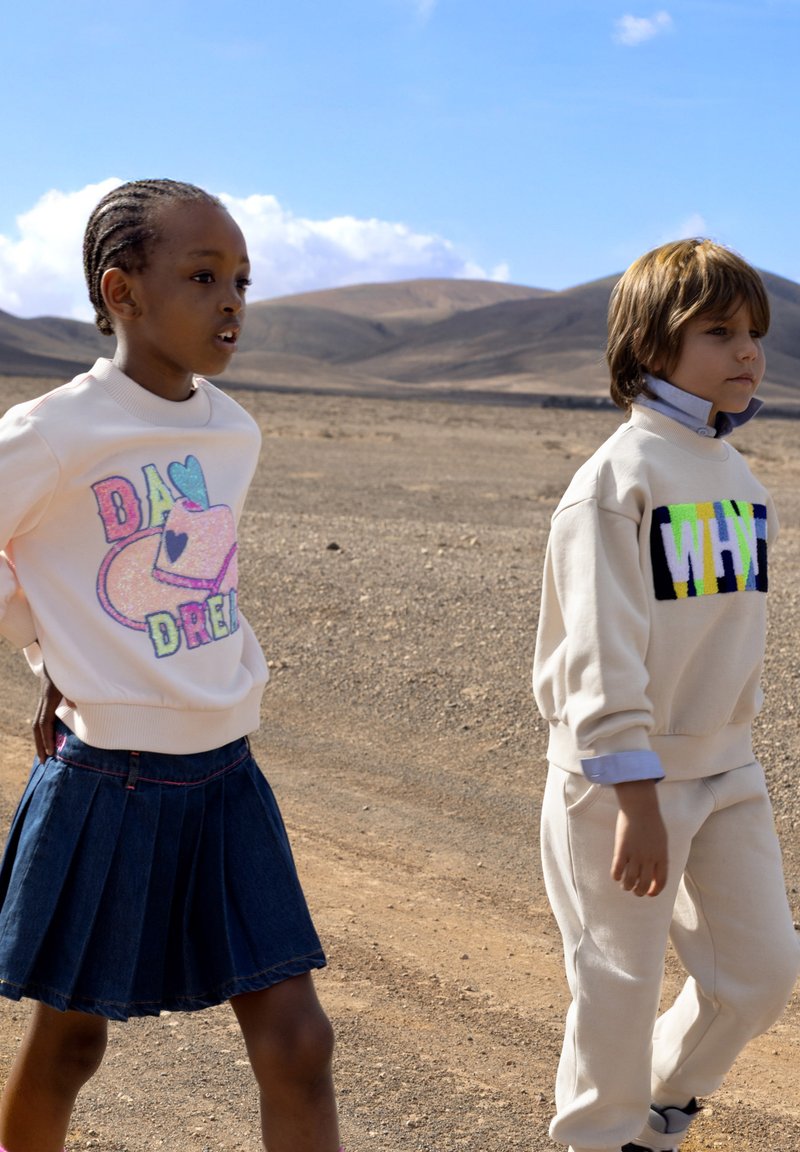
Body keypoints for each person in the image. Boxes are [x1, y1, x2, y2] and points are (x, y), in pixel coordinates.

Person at [0, 179, 343, 1152]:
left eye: (241, 278)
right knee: (68, 1047)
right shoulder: (57, 430)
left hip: (228, 776)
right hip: (109, 781)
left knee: (298, 1043)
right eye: (202, 276)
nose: (232, 299)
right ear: (123, 292)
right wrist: (44, 634)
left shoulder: (234, 433)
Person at [532, 238, 800, 1152]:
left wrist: (731, 753)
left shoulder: (743, 480)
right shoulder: (614, 483)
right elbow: (600, 656)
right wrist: (635, 797)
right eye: (719, 331)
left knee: (760, 974)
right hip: (619, 787)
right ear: (652, 346)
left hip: (726, 771)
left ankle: (660, 1110)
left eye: (754, 333)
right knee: (614, 992)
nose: (747, 353)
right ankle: (596, 1139)